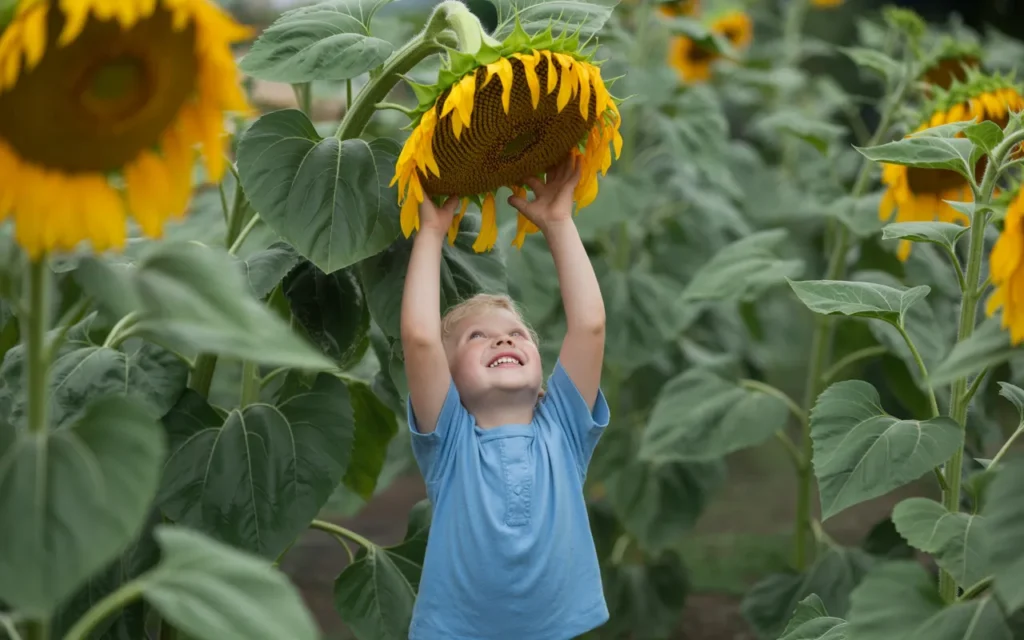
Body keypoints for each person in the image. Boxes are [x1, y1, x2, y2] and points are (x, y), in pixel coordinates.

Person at [399, 154, 610, 640]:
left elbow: (590, 327)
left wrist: (558, 223)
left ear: (540, 373)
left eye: (517, 334)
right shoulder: (450, 440)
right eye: (477, 337)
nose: (503, 339)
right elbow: (421, 339)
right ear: (447, 381)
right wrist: (431, 233)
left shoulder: (563, 429)